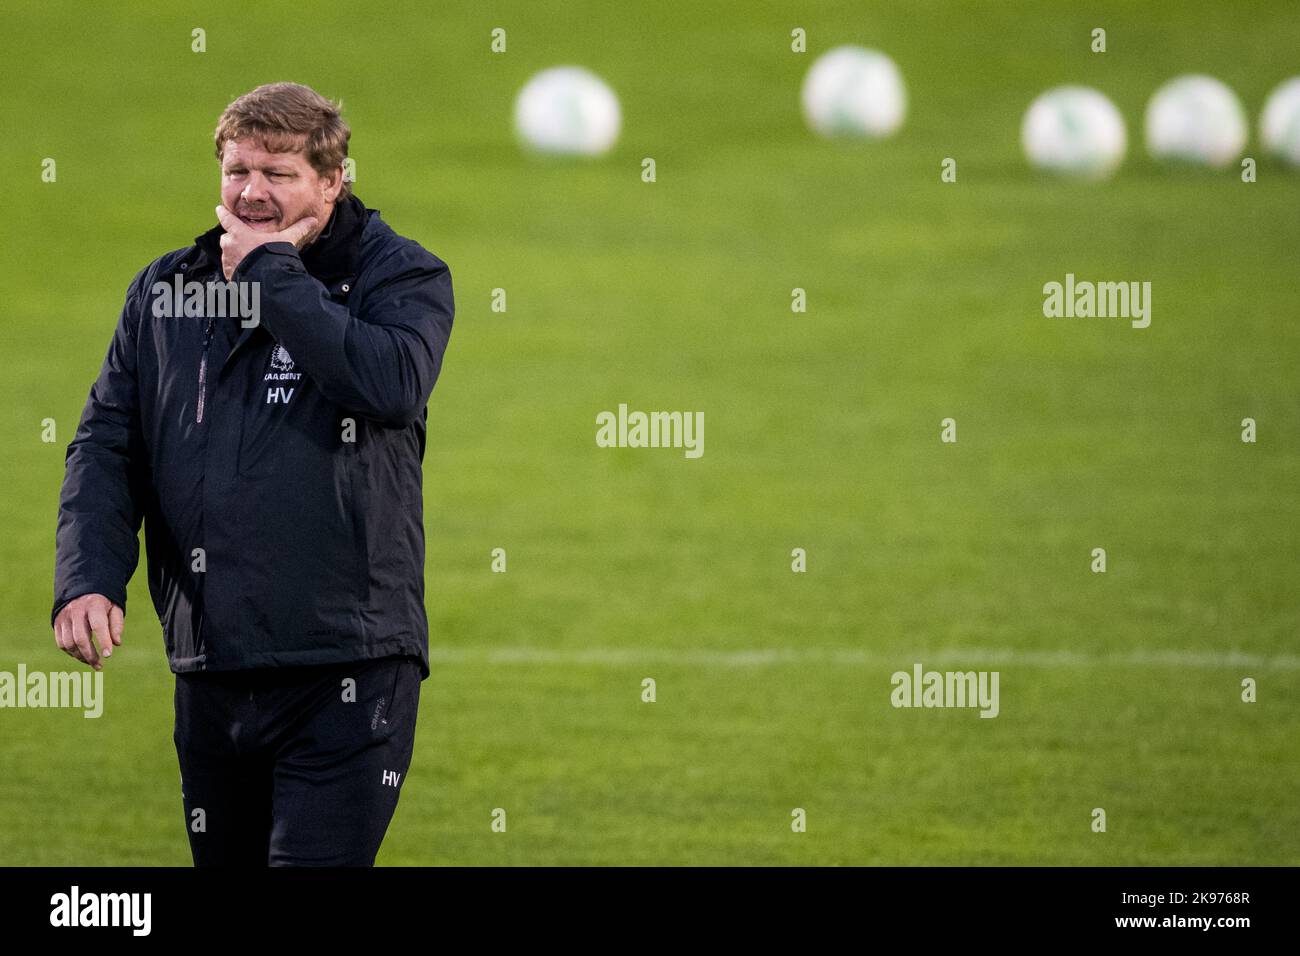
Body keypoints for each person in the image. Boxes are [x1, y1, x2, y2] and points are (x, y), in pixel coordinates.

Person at [51, 81, 455, 866]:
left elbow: (389, 384)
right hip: (214, 663)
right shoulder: (167, 291)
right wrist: (89, 576)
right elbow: (107, 444)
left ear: (334, 181)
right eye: (238, 171)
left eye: (279, 174)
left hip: (349, 666)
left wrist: (272, 275)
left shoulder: (400, 276)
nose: (252, 193)